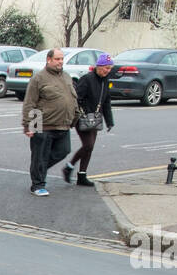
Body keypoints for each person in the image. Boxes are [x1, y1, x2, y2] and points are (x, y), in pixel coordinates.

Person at [22, 47, 79, 196]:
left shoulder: (66, 76)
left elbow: (72, 98)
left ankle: (38, 169)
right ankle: (38, 185)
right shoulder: (39, 78)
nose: (61, 62)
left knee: (63, 150)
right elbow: (30, 102)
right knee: (40, 154)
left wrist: (76, 115)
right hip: (43, 124)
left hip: (63, 124)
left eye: (62, 59)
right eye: (57, 59)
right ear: (49, 60)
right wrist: (29, 125)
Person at [64, 53, 115, 187]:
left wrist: (109, 121)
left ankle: (82, 175)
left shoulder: (106, 81)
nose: (107, 71)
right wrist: (82, 112)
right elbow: (76, 98)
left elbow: (106, 102)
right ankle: (69, 167)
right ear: (99, 66)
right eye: (106, 68)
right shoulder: (87, 79)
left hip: (95, 118)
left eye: (110, 68)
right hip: (83, 117)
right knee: (88, 145)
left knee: (89, 148)